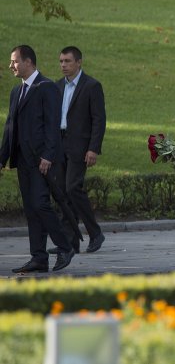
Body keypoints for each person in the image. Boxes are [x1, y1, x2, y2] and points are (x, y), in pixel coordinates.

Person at [1, 45, 75, 273]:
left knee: (41, 204)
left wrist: (48, 156)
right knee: (31, 208)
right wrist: (2, 158)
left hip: (41, 160)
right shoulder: (17, 91)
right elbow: (10, 127)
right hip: (22, 160)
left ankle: (65, 246)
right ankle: (39, 258)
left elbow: (53, 125)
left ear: (28, 62)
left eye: (14, 61)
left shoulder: (47, 87)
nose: (11, 65)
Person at [54, 46, 107, 254]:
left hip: (79, 146)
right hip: (60, 144)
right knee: (63, 194)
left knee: (72, 188)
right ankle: (70, 242)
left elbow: (99, 120)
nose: (63, 65)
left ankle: (95, 233)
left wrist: (93, 148)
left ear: (78, 62)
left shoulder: (92, 86)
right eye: (61, 61)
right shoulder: (57, 86)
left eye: (67, 61)